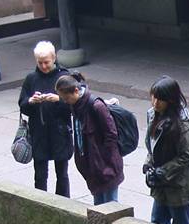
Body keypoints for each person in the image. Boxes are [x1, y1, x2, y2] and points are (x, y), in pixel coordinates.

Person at [143, 76, 189, 224]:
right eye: (153, 97)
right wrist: (148, 165)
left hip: (178, 185)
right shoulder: (153, 114)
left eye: (161, 99)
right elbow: (151, 146)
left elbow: (186, 155)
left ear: (170, 100)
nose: (155, 103)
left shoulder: (181, 124)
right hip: (160, 183)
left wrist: (163, 172)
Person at [17, 41, 73, 196]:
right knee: (40, 175)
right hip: (39, 133)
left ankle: (63, 204)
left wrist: (58, 100)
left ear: (54, 58)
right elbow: (22, 105)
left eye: (46, 62)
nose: (43, 66)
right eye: (40, 63)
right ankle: (41, 202)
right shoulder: (31, 79)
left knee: (62, 174)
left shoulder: (64, 77)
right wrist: (31, 101)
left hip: (60, 132)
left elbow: (74, 105)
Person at [58, 73, 123, 204]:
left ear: (76, 91)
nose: (65, 101)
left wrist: (105, 160)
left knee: (110, 206)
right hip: (92, 169)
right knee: (98, 207)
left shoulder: (96, 106)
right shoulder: (76, 106)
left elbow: (111, 134)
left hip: (106, 168)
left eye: (66, 98)